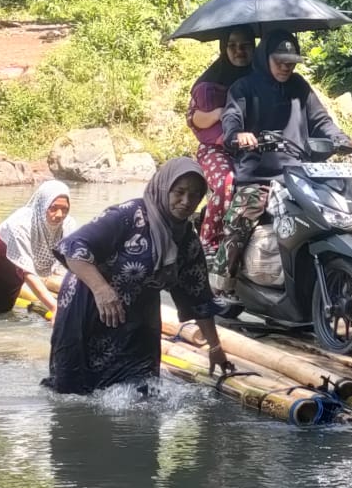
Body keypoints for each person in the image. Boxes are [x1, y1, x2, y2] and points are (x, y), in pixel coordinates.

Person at [43, 158, 233, 395]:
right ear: (164, 189)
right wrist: (102, 290)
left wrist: (215, 347)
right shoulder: (128, 216)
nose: (186, 202)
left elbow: (199, 298)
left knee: (141, 394)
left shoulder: (187, 241)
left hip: (139, 320)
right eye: (179, 192)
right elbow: (73, 248)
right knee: (75, 394)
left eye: (194, 196)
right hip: (89, 306)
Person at [215, 30, 352, 276]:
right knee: (240, 220)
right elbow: (231, 119)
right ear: (265, 58)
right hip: (258, 177)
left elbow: (322, 122)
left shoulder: (300, 87)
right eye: (280, 62)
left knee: (331, 215)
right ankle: (223, 283)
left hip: (299, 175)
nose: (286, 67)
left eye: (291, 63)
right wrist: (238, 135)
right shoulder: (243, 88)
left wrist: (344, 140)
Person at [186, 28, 255, 256]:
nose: (239, 51)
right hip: (216, 148)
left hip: (254, 148)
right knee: (228, 181)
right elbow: (194, 119)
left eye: (245, 45)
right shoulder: (209, 82)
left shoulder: (262, 77)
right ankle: (209, 245)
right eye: (232, 45)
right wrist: (219, 112)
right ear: (224, 48)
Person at [0, 180, 74, 320]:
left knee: (2, 313)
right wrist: (54, 307)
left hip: (12, 271)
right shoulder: (21, 224)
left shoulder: (67, 226)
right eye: (53, 208)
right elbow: (28, 273)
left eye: (65, 209)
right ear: (42, 205)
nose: (59, 214)